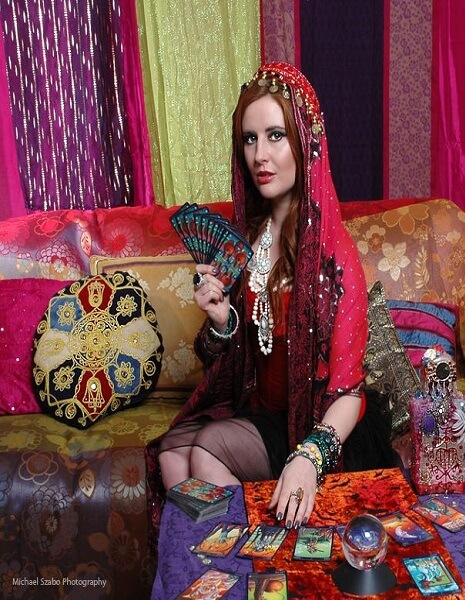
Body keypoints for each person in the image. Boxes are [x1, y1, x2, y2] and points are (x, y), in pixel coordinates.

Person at [146, 62, 395, 536]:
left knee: (207, 450)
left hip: (314, 424)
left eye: (275, 136)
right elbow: (226, 360)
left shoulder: (334, 255)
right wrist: (221, 321)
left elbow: (349, 392)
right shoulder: (248, 236)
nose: (260, 155)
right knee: (172, 454)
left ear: (304, 142)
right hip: (259, 413)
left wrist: (309, 457)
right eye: (249, 139)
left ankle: (251, 563)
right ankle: (209, 566)